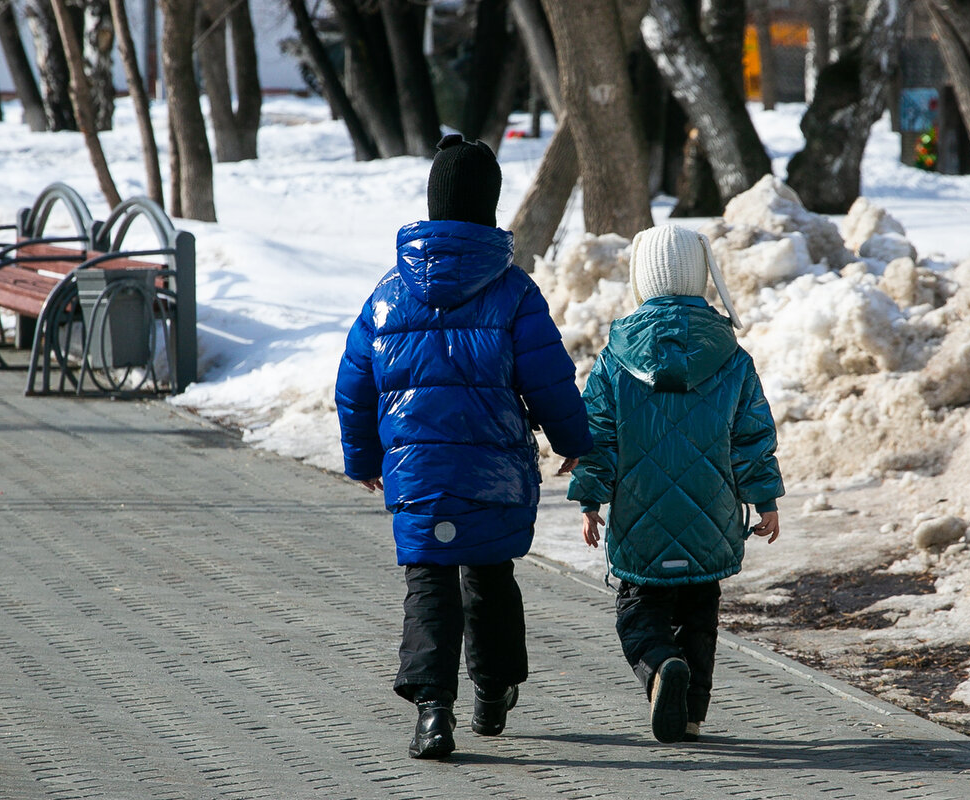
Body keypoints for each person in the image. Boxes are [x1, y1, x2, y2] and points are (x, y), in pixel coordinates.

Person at [334, 133, 593, 760]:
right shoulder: (514, 292)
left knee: (428, 582)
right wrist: (573, 440)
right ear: (489, 207)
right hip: (493, 469)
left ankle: (432, 713)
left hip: (417, 469)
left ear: (432, 204)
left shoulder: (389, 293)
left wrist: (364, 457)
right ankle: (493, 691)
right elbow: (548, 377)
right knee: (490, 576)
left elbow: (353, 381)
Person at [567, 223, 784, 744]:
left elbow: (597, 436)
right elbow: (751, 436)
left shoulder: (616, 356)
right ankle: (689, 715)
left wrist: (591, 498)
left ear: (643, 277)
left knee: (639, 612)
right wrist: (765, 498)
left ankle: (662, 666)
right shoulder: (731, 356)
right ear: (701, 277)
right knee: (699, 617)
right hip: (711, 515)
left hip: (641, 516)